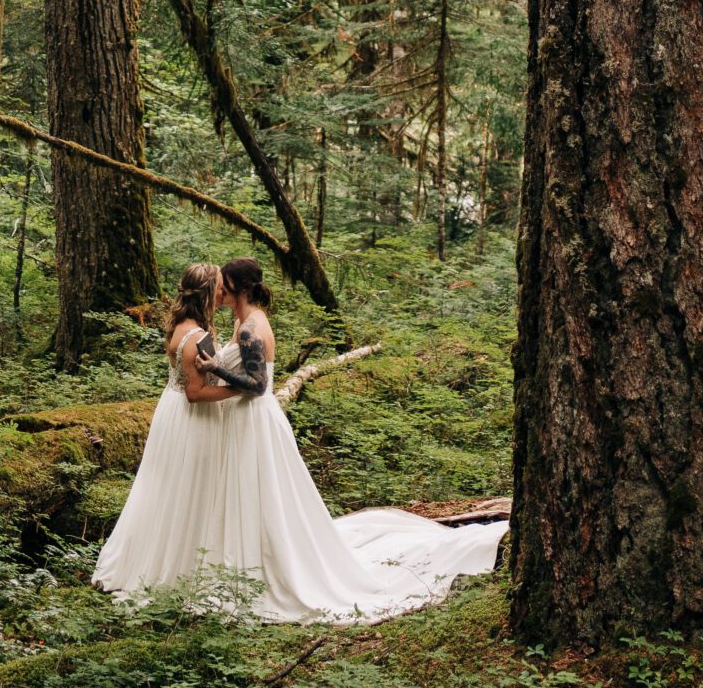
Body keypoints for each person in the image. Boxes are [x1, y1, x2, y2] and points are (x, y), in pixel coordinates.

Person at [93, 256, 507, 623]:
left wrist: (216, 370)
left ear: (234, 289)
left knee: (265, 501)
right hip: (239, 422)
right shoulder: (240, 322)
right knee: (244, 499)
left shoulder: (252, 329)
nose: (218, 291)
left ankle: (263, 570)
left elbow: (257, 386)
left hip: (253, 420)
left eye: (223, 284)